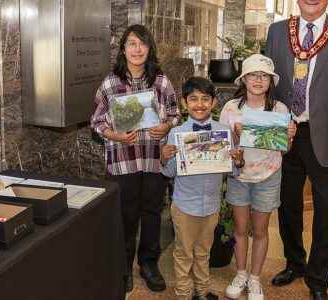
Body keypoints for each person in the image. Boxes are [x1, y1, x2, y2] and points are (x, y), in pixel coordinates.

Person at [264, 1, 328, 299]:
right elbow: (267, 86)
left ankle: (319, 279)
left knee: (325, 211)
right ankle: (295, 262)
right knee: (287, 205)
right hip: (286, 134)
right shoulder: (277, 31)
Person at [90, 24, 180, 293]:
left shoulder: (161, 82)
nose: (137, 49)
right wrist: (115, 136)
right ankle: (123, 267)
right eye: (131, 44)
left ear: (149, 48)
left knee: (152, 214)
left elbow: (175, 114)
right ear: (124, 50)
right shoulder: (110, 83)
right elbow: (96, 122)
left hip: (154, 160)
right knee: (125, 217)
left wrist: (166, 127)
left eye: (142, 44)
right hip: (123, 161)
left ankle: (148, 265)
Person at [220, 54, 296, 300]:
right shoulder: (231, 108)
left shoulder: (279, 109)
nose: (258, 80)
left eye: (264, 76)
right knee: (240, 228)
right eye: (253, 74)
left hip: (268, 175)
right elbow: (221, 147)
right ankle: (241, 273)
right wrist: (233, 140)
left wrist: (290, 136)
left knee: (260, 230)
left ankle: (254, 279)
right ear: (244, 79)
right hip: (239, 177)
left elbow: (284, 149)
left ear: (270, 82)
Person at [160, 77, 243, 300]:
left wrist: (237, 161)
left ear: (214, 102)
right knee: (184, 253)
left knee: (204, 252)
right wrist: (164, 157)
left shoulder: (223, 132)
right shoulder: (176, 133)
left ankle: (203, 289)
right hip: (185, 206)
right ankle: (184, 293)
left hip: (211, 206)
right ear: (184, 103)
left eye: (205, 99)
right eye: (194, 99)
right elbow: (168, 173)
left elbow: (233, 173)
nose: (200, 104)